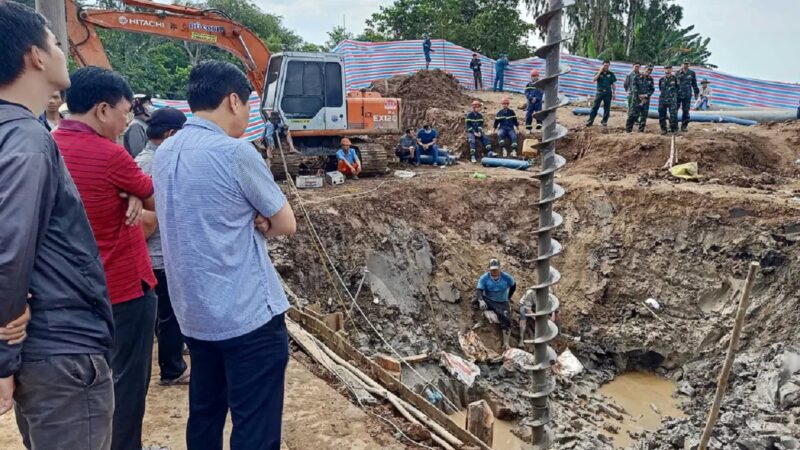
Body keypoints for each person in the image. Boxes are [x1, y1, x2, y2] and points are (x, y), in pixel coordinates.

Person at [152, 60, 297, 450]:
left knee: (205, 414)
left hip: (196, 316)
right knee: (255, 425)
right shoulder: (234, 152)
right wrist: (260, 221)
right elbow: (285, 223)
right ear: (233, 100)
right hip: (246, 315)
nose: (248, 115)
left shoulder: (165, 152)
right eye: (248, 105)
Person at [0, 2, 115, 449]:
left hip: (44, 351)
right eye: (54, 41)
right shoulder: (28, 142)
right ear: (36, 56)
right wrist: (4, 356)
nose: (62, 50)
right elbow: (9, 248)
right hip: (61, 351)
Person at [53, 66, 157, 450]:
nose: (126, 119)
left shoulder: (50, 144)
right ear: (101, 110)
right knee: (128, 384)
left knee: (88, 384)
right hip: (125, 290)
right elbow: (152, 198)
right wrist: (134, 192)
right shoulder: (111, 155)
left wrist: (131, 192)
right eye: (124, 111)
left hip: (73, 296)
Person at [134, 107, 191, 387]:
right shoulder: (161, 164)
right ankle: (173, 369)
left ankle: (174, 352)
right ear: (170, 135)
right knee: (171, 313)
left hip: (146, 254)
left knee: (161, 312)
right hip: (162, 253)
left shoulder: (138, 161)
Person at [473, 259, 517, 349]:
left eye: (496, 269)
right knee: (475, 300)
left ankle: (506, 343)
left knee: (506, 319)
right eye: (492, 269)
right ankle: (480, 320)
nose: (494, 271)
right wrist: (481, 300)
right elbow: (479, 290)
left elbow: (513, 286)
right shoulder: (484, 278)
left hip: (502, 302)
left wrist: (509, 297)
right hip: (489, 299)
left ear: (500, 268)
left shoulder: (506, 277)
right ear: (489, 269)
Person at [586, 60, 617, 127]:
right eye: (605, 65)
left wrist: (614, 93)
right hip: (599, 93)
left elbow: (613, 84)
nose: (606, 66)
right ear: (602, 65)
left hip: (608, 93)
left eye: (607, 65)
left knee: (607, 108)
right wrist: (600, 71)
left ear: (609, 66)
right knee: (595, 107)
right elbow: (594, 80)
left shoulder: (611, 74)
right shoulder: (598, 73)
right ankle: (590, 121)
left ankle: (604, 122)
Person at [625, 65, 655, 133]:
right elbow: (634, 87)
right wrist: (639, 95)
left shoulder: (650, 79)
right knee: (632, 114)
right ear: (644, 69)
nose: (649, 72)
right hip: (636, 100)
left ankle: (640, 131)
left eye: (650, 70)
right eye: (647, 70)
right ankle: (628, 130)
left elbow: (652, 89)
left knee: (644, 116)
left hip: (645, 100)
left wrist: (647, 95)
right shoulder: (637, 77)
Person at [123, 93, 151, 157]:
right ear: (138, 108)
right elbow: (138, 154)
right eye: (146, 103)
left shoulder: (145, 124)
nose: (149, 106)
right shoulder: (136, 126)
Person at [676, 61, 699, 131]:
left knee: (686, 111)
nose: (685, 65)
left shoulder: (692, 73)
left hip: (687, 95)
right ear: (681, 65)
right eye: (684, 64)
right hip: (678, 95)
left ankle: (684, 126)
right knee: (674, 110)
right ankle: (674, 126)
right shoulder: (677, 73)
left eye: (687, 64)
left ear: (689, 65)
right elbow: (674, 84)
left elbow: (694, 84)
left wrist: (696, 93)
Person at [658, 65, 680, 135]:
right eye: (666, 69)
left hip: (672, 100)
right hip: (662, 100)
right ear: (664, 70)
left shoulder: (675, 79)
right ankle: (663, 130)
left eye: (669, 69)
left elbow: (678, 89)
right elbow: (660, 89)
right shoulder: (661, 80)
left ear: (671, 70)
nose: (668, 70)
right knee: (662, 115)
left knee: (673, 115)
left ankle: (674, 129)